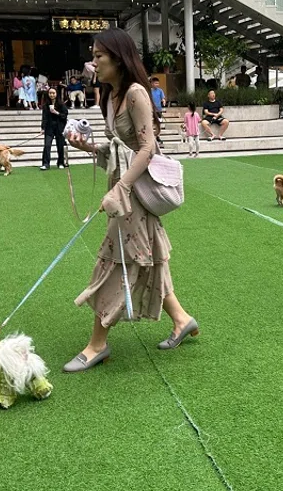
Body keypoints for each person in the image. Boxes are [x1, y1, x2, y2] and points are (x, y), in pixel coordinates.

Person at [64, 28, 198, 372]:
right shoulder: (109, 96)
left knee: (117, 261)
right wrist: (89, 147)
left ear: (119, 58)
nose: (93, 63)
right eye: (93, 56)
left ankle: (97, 343)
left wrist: (121, 188)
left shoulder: (137, 93)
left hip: (135, 192)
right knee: (147, 256)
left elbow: (147, 147)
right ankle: (181, 319)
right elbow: (117, 147)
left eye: (99, 56)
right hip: (124, 188)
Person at [40, 87, 68, 170]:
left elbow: (65, 115)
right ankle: (45, 164)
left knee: (60, 145)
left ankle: (60, 162)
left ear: (56, 94)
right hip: (49, 127)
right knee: (47, 145)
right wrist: (43, 128)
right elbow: (44, 117)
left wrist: (56, 112)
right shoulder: (45, 105)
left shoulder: (61, 104)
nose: (52, 95)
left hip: (60, 127)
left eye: (53, 93)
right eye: (50, 93)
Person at [150, 77, 167, 145]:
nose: (157, 84)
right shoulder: (149, 91)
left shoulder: (160, 91)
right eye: (155, 83)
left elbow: (163, 98)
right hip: (151, 110)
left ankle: (158, 136)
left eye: (158, 83)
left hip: (159, 110)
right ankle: (151, 136)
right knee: (151, 123)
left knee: (158, 123)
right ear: (152, 83)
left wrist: (163, 101)